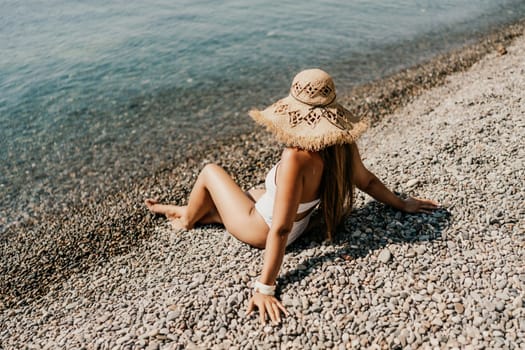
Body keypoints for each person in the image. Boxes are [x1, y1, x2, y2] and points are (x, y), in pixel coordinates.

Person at [145, 68, 439, 325]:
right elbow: (369, 181)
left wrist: (265, 287)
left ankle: (186, 219)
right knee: (250, 193)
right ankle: (200, 212)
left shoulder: (295, 158)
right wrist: (402, 203)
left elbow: (280, 228)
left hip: (263, 230)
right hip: (298, 222)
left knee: (210, 171)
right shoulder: (341, 144)